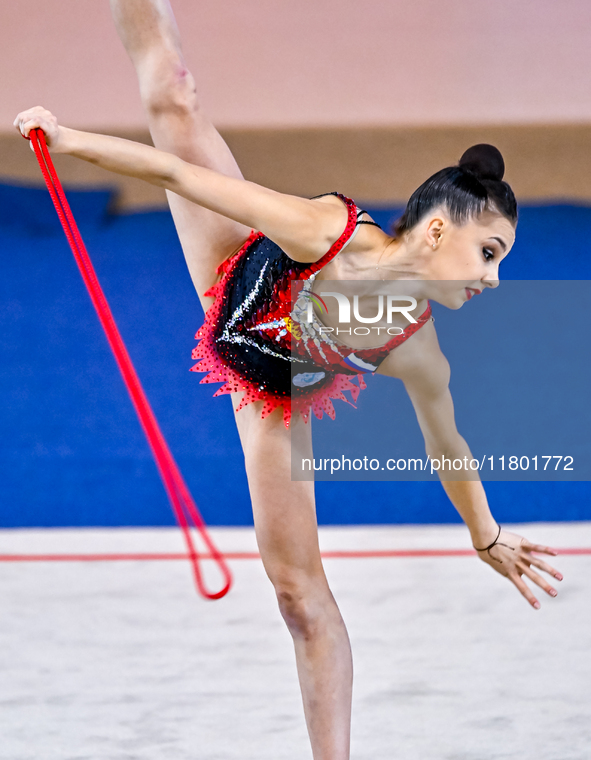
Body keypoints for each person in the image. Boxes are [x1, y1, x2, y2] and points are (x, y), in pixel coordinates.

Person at [14, 3, 563, 757]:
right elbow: (177, 171)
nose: (494, 279)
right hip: (230, 267)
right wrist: (70, 140)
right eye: (488, 254)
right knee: (175, 96)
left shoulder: (415, 342)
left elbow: (449, 444)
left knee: (299, 599)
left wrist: (485, 535)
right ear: (437, 231)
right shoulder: (323, 231)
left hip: (271, 395)